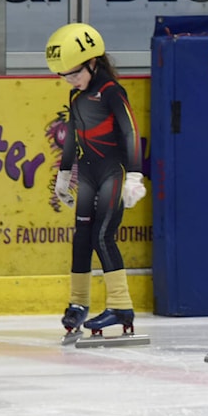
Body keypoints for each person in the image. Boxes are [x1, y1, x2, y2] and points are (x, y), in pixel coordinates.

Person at [45, 23, 147, 338]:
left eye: (74, 73)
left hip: (112, 171)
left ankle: (121, 305)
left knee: (103, 236)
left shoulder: (112, 91)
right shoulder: (76, 97)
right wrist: (63, 175)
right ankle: (78, 304)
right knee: (81, 238)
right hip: (87, 172)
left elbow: (130, 131)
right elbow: (71, 139)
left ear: (93, 61)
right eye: (64, 76)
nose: (71, 80)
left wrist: (134, 175)